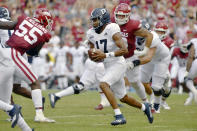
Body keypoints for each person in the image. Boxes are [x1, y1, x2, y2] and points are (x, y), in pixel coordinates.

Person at [87, 8, 153, 125]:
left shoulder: (112, 28)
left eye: (96, 20)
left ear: (103, 19)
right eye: (93, 20)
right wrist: (93, 55)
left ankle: (119, 116)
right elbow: (92, 49)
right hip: (107, 64)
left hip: (118, 62)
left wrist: (106, 55)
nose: (94, 22)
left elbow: (124, 49)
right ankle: (144, 107)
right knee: (123, 98)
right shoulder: (90, 33)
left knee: (103, 84)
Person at [0, 8, 55, 123]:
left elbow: (6, 25)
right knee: (33, 82)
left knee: (9, 89)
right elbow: (32, 53)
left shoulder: (23, 19)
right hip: (15, 55)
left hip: (6, 54)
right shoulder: (45, 34)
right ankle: (38, 114)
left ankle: (14, 114)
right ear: (44, 20)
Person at [128, 25, 171, 113]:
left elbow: (148, 58)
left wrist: (134, 63)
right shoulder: (131, 36)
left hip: (161, 59)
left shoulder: (153, 38)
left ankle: (156, 105)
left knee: (156, 86)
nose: (140, 33)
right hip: (148, 57)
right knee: (143, 81)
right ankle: (152, 97)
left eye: (142, 31)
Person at [184, 38, 197, 104]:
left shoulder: (194, 41)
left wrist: (187, 71)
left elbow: (191, 56)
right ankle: (189, 99)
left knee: (188, 79)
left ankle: (195, 92)